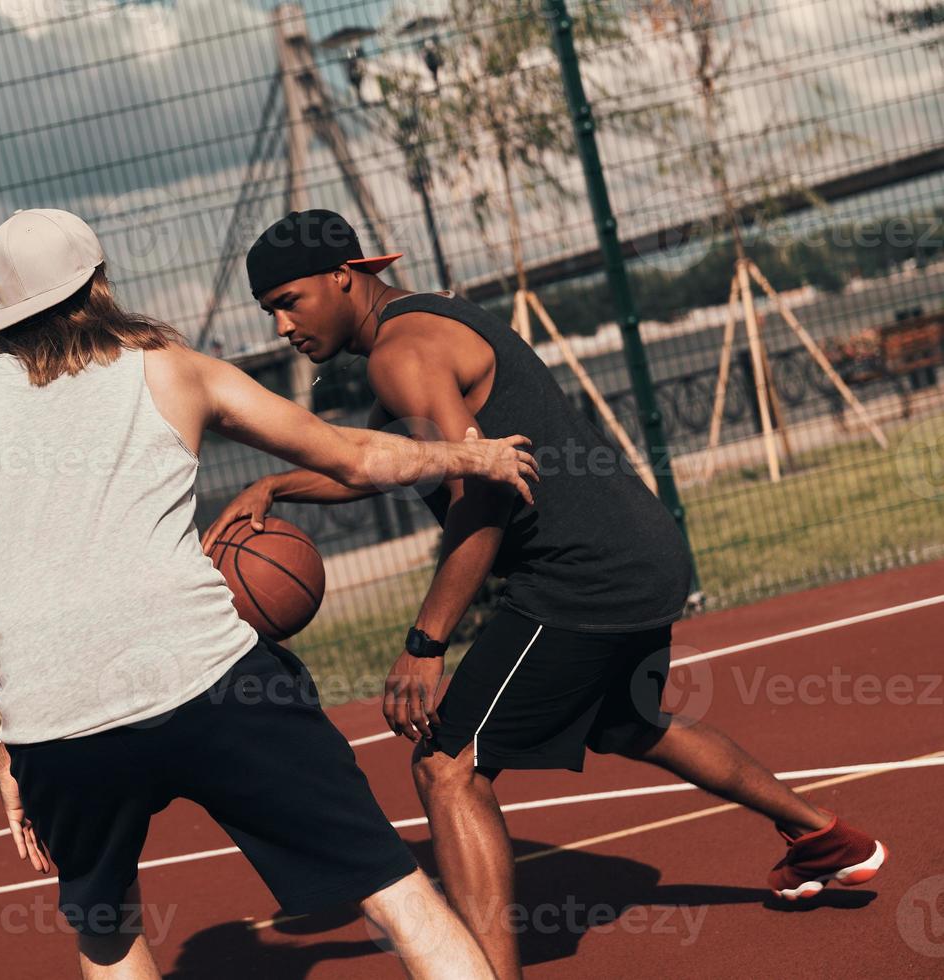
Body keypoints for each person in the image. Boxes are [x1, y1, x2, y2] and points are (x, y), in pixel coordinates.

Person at [205, 209, 888, 979]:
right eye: (269, 310)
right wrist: (277, 486)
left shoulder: (403, 356)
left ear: (343, 276)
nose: (281, 324)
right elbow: (386, 460)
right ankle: (823, 837)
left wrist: (424, 645)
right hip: (638, 546)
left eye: (289, 300)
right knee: (631, 724)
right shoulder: (424, 320)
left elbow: (482, 497)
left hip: (577, 575)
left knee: (447, 766)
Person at [0, 208, 542, 979]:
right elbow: (349, 456)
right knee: (394, 890)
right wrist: (471, 456)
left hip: (53, 723)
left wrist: (5, 760)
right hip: (213, 684)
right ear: (99, 283)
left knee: (108, 936)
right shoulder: (165, 366)